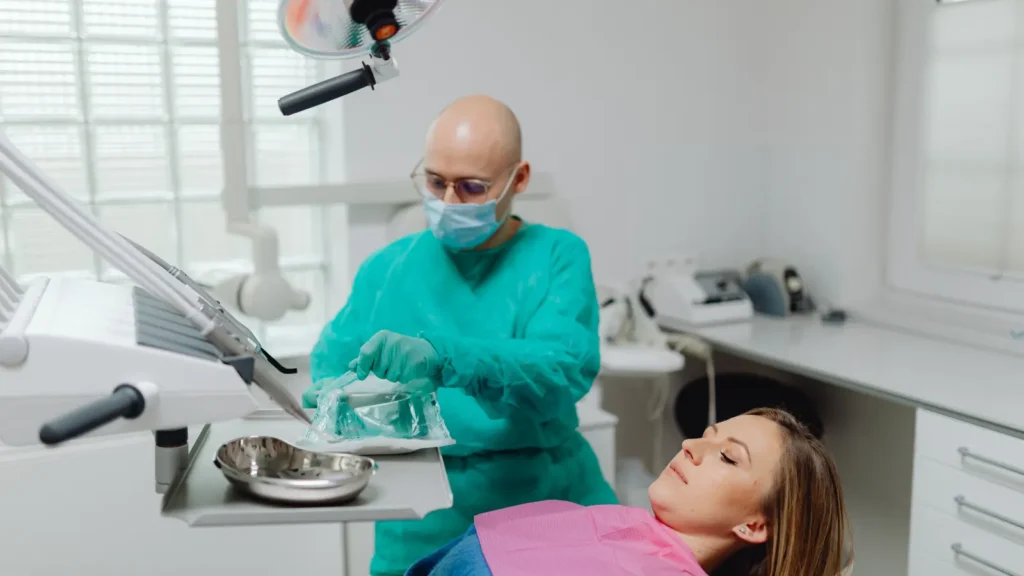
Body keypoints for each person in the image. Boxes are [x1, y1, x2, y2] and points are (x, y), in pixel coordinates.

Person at [304, 94, 617, 576]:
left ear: (520, 179)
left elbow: (559, 368)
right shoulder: (388, 268)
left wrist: (443, 357)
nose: (448, 202)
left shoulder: (556, 256)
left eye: (472, 187)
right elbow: (331, 368)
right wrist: (337, 405)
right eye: (435, 181)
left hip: (541, 505)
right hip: (419, 515)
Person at [406, 408, 851, 576]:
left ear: (754, 525)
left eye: (728, 457)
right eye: (705, 434)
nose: (690, 445)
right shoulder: (596, 519)